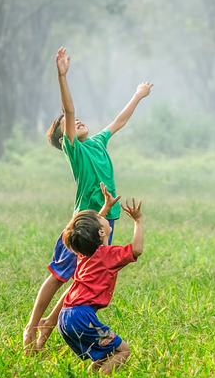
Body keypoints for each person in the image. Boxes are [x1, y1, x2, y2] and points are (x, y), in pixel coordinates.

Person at [22, 46, 152, 353]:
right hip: (83, 223)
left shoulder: (97, 142)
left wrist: (137, 95)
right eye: (67, 124)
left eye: (78, 120)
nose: (77, 121)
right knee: (58, 276)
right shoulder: (75, 151)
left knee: (82, 281)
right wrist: (62, 75)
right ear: (62, 138)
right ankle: (32, 327)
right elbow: (68, 110)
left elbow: (118, 121)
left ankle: (45, 335)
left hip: (107, 220)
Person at [55, 196, 144, 374]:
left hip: (65, 317)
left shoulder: (83, 253)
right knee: (123, 350)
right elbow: (136, 249)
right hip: (82, 318)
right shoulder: (107, 255)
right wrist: (138, 221)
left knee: (105, 355)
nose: (102, 216)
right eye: (100, 217)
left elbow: (88, 232)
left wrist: (106, 207)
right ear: (101, 232)